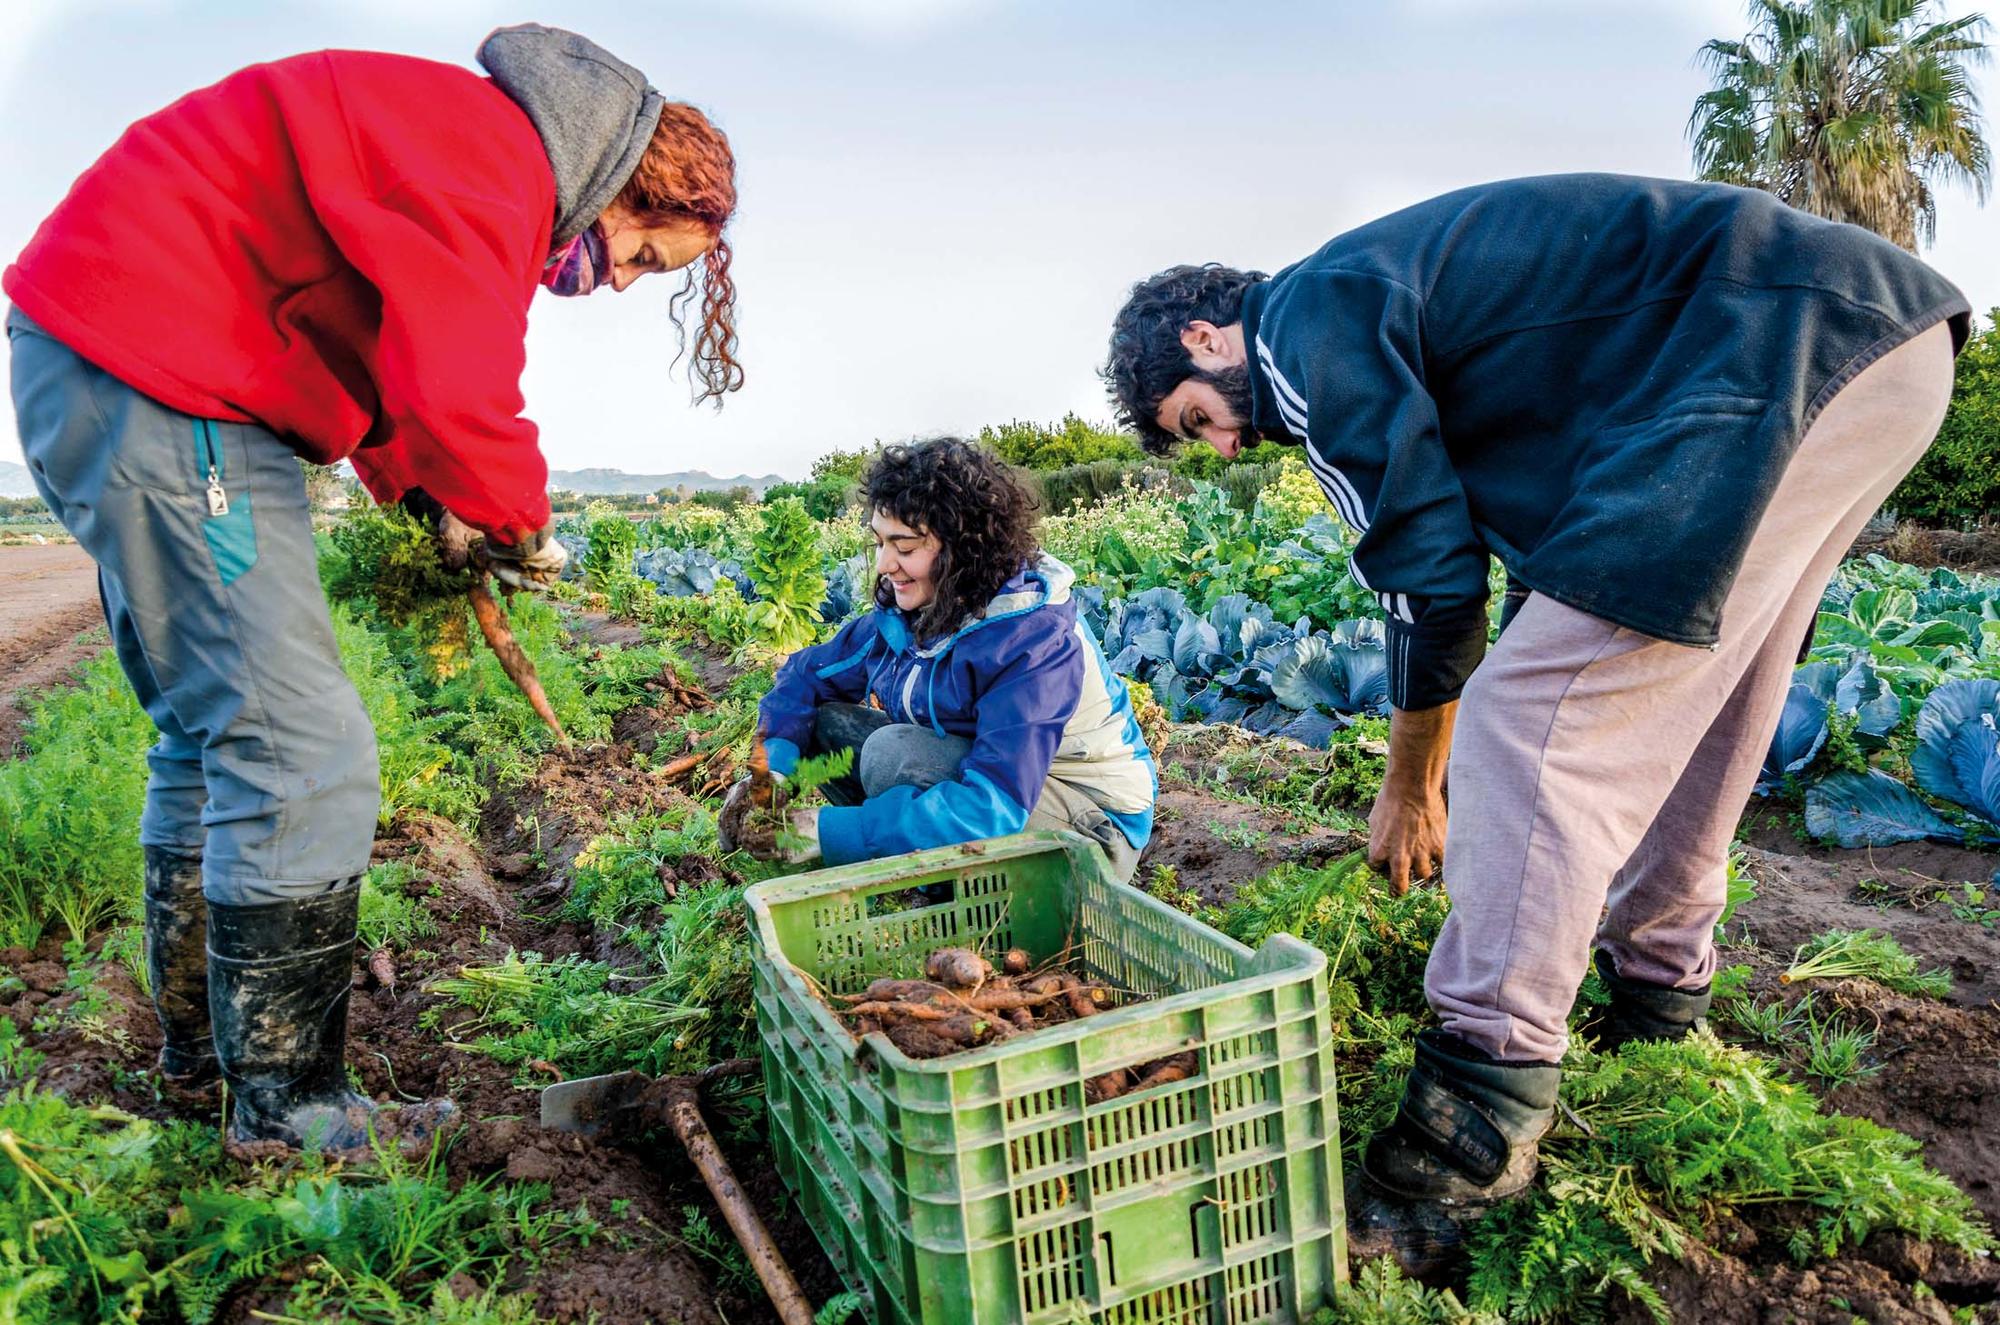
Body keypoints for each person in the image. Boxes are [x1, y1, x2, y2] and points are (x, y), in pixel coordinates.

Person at [1102, 173, 1967, 1257]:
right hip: (1875, 340)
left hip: (1766, 345)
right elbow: (1524, 561)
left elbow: (1427, 573)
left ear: (1205, 334)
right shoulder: (1387, 292)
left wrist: (1412, 786)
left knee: (1527, 716)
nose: (1224, 446)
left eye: (1197, 418)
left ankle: (1472, 1112)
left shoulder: (1300, 326)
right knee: (1701, 697)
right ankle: (1653, 1002)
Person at [4, 24, 739, 1152]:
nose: (620, 282)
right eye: (641, 253)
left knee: (212, 739)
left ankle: (211, 1061)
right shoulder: (494, 159)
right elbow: (457, 387)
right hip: (164, 382)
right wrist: (513, 518)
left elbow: (389, 369)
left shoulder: (451, 134)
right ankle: (289, 1106)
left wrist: (425, 498)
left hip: (117, 363)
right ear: (617, 180)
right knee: (302, 750)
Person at [717, 438, 1157, 879]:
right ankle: (911, 863)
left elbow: (992, 807)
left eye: (905, 548)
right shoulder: (918, 610)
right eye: (881, 543)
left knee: (893, 756)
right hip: (999, 789)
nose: (885, 564)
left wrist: (826, 833)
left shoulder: (1032, 641)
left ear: (962, 549)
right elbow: (804, 677)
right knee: (828, 723)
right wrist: (769, 776)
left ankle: (942, 879)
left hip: (1090, 827)